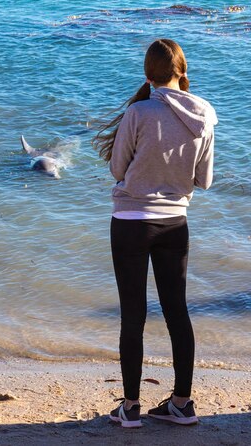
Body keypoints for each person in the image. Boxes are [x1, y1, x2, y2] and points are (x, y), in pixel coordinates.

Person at [93, 38, 217, 429]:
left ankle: (130, 408)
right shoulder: (205, 114)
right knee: (177, 312)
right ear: (184, 73)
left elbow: (117, 171)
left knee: (133, 315)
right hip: (175, 223)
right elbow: (205, 181)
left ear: (148, 76)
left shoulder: (139, 112)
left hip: (130, 223)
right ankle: (182, 403)